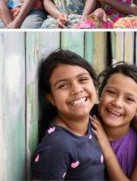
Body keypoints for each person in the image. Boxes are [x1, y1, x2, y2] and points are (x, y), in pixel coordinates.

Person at [31, 49, 105, 180]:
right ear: (51, 98)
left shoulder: (93, 115)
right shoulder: (56, 147)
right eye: (63, 85)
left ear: (94, 84)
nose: (77, 90)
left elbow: (125, 114)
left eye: (82, 79)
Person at [91, 62, 137, 180]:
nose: (117, 103)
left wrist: (106, 147)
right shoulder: (84, 123)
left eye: (129, 99)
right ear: (100, 93)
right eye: (111, 92)